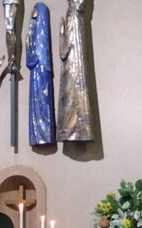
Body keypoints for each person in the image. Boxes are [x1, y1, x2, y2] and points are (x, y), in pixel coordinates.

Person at [57, 0, 93, 142]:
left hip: (74, 20)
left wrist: (62, 36)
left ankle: (78, 127)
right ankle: (73, 127)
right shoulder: (73, 15)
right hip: (73, 19)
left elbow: (64, 52)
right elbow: (64, 53)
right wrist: (61, 36)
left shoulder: (74, 15)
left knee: (74, 74)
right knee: (70, 78)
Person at [26, 2, 56, 146]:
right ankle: (38, 135)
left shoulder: (40, 33)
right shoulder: (34, 29)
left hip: (42, 69)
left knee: (43, 100)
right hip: (37, 68)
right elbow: (30, 46)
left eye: (34, 11)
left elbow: (37, 51)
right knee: (38, 100)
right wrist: (31, 23)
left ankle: (45, 135)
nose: (32, 13)